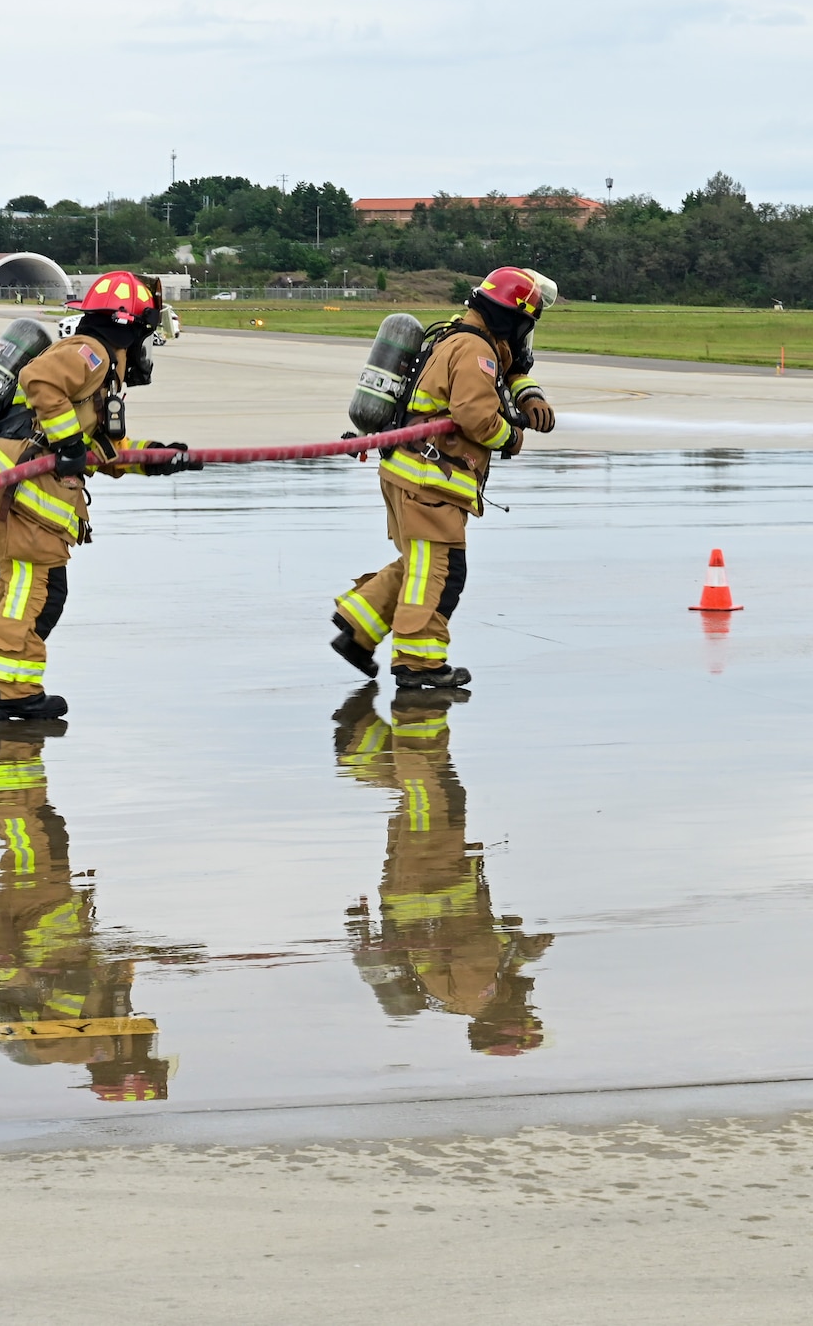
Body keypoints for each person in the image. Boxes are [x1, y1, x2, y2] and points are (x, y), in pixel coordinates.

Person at [0, 270, 194, 722]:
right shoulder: (91, 352)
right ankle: (10, 689)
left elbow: (97, 448)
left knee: (23, 580)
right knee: (39, 589)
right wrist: (70, 444)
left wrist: (153, 456)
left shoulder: (99, 370)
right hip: (27, 482)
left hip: (18, 478)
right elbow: (41, 382)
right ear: (130, 327)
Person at [330, 267, 557, 690]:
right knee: (442, 572)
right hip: (431, 481)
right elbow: (476, 416)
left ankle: (358, 626)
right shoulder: (475, 351)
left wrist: (530, 394)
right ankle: (418, 662)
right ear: (510, 317)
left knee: (419, 564)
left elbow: (507, 370)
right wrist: (512, 438)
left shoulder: (460, 336)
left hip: (407, 473)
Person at [0, 721, 169, 1102]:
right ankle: (2, 766)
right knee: (49, 830)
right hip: (54, 907)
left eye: (146, 1057)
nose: (149, 1047)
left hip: (31, 912)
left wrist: (27, 970)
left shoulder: (76, 1045)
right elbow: (99, 970)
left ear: (121, 1062)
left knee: (28, 833)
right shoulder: (109, 1027)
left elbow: (17, 979)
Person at [334, 684, 553, 1054]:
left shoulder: (474, 992)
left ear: (503, 1023)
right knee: (431, 799)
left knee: (432, 797)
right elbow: (483, 947)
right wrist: (522, 955)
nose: (526, 1004)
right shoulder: (480, 994)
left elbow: (474, 945)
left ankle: (372, 745)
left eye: (524, 1013)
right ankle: (369, 749)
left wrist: (512, 945)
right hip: (429, 883)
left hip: (431, 881)